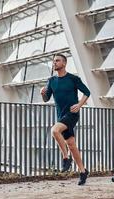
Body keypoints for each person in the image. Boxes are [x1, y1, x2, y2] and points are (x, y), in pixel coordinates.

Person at [40, 54, 90, 185]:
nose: (54, 63)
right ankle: (83, 171)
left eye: (57, 61)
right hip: (61, 115)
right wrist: (43, 94)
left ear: (64, 63)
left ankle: (66, 158)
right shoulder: (51, 80)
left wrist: (79, 105)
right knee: (72, 145)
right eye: (53, 61)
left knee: (55, 131)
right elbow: (46, 99)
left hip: (72, 114)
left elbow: (87, 92)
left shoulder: (73, 79)